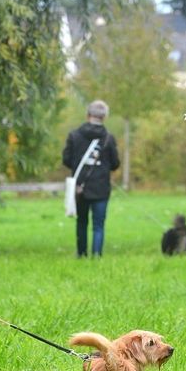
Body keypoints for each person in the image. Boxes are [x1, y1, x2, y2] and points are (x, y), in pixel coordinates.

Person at [62, 100, 120, 257]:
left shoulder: (74, 136)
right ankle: (96, 255)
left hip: (80, 187)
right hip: (101, 187)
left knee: (81, 222)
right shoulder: (108, 138)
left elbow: (66, 160)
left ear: (88, 115)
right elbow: (115, 164)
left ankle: (81, 254)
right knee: (98, 225)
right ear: (104, 117)